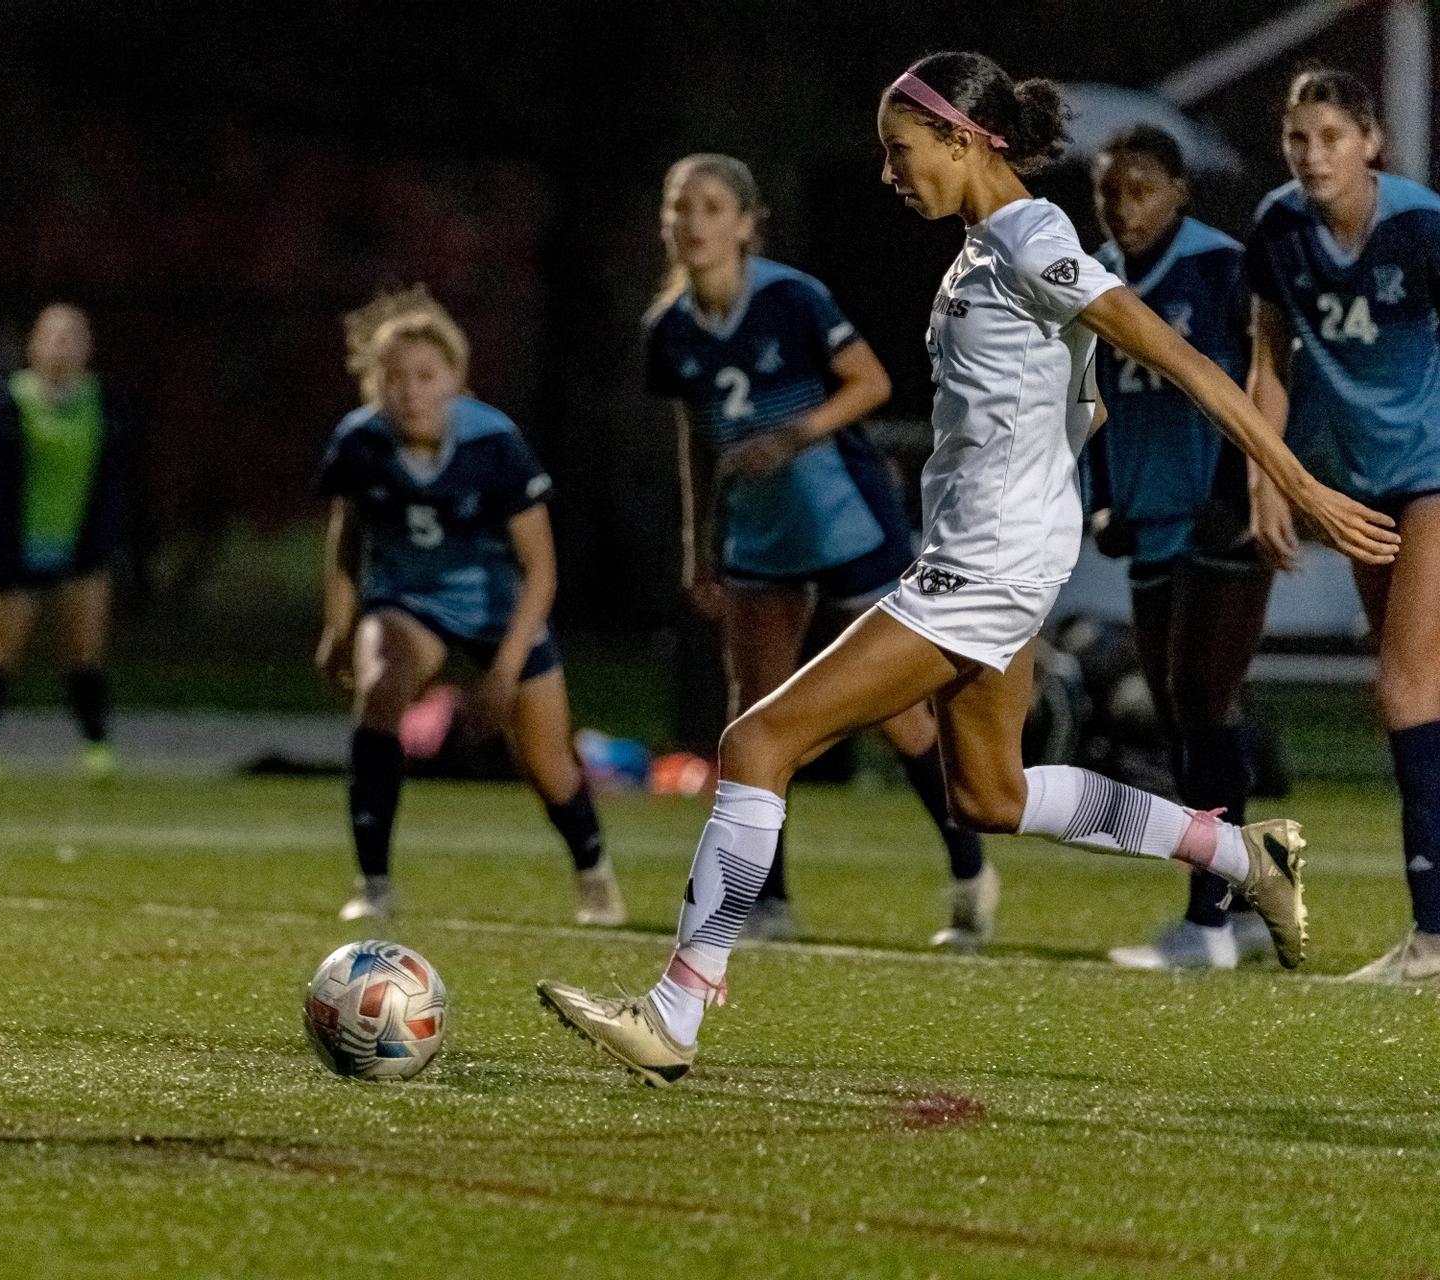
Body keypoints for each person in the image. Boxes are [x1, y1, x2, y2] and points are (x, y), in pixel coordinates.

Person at [536, 51, 1397, 1086]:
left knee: (755, 740)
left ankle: (673, 1013)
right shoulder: (987, 248)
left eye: (903, 152)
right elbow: (1086, 395)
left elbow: (1174, 353)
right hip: (994, 553)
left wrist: (1294, 480)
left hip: (985, 564)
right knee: (988, 792)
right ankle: (1243, 854)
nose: (892, 173)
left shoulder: (1032, 238)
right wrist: (1054, 451)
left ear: (966, 139)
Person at [645, 153, 994, 949]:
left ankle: (971, 868)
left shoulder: (790, 298)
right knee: (756, 712)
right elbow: (696, 443)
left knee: (897, 714)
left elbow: (870, 382)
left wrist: (791, 436)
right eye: (678, 207)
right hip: (760, 532)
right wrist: (699, 548)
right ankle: (766, 900)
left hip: (844, 517)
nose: (691, 222)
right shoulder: (668, 330)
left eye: (707, 207)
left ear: (744, 223)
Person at [315, 288, 627, 926]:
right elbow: (346, 536)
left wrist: (505, 671)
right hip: (407, 599)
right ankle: (373, 883)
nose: (410, 390)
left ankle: (593, 869)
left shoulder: (494, 442)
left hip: (499, 610)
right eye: (394, 377)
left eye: (426, 375)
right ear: (375, 384)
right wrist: (339, 624)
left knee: (547, 765)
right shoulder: (358, 442)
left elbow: (540, 570)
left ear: (455, 378)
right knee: (381, 688)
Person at [1242, 71, 1440, 983]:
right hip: (1360, 484)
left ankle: (1433, 939)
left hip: (1434, 474)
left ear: (1371, 141)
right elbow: (1267, 358)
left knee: (1405, 688)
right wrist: (1268, 479)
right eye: (1298, 139)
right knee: (1415, 691)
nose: (1313, 155)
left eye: (1330, 136)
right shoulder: (1278, 226)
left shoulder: (1421, 223)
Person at [1082, 127, 1278, 971]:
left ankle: (1210, 919)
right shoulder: (1090, 274)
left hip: (1221, 516)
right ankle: (1244, 892)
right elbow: (1086, 393)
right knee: (1179, 713)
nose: (1125, 207)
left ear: (1180, 189)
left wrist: (1247, 489)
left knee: (1201, 700)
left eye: (1141, 188)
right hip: (1150, 518)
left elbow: (1275, 371)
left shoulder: (1220, 267)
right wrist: (1099, 501)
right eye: (1109, 192)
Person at [0, 302, 129, 784]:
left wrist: (104, 538)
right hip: (16, 551)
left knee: (85, 650)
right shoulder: (9, 401)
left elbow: (112, 479)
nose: (64, 346)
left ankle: (96, 745)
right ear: (33, 344)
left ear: (88, 347)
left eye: (74, 336)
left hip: (79, 549)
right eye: (54, 336)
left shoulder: (102, 402)